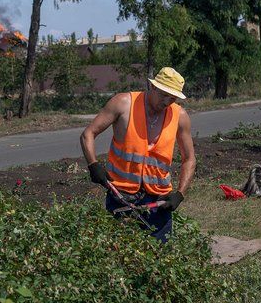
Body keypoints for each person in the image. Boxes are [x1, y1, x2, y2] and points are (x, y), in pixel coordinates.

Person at [79, 67, 196, 242]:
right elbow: (88, 134)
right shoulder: (123, 104)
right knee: (120, 253)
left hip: (159, 200)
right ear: (152, 87)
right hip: (121, 196)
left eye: (172, 98)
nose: (166, 102)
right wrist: (93, 165)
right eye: (163, 95)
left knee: (160, 255)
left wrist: (180, 194)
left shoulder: (180, 116)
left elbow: (189, 159)